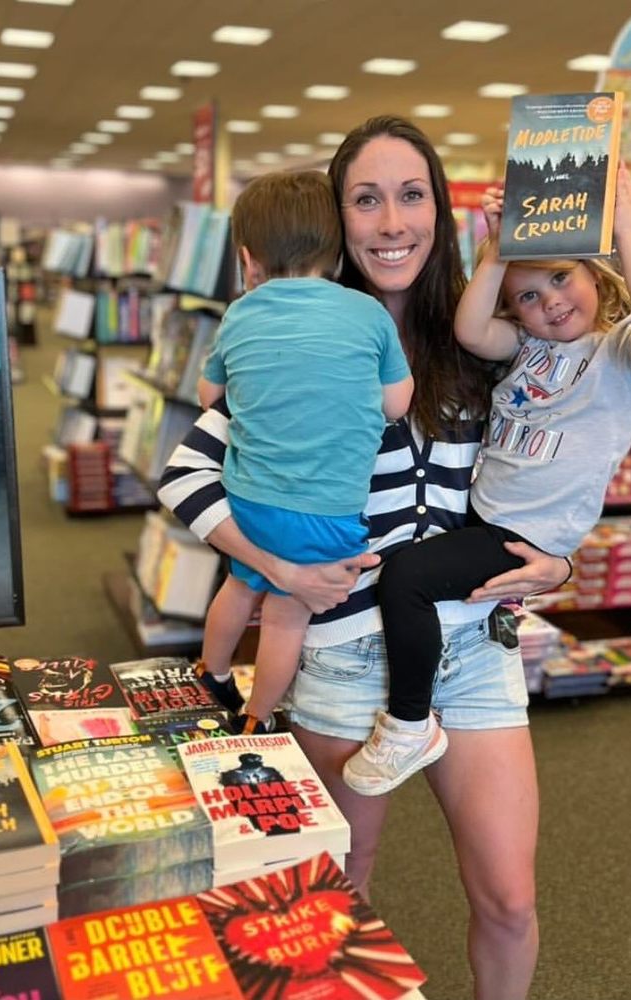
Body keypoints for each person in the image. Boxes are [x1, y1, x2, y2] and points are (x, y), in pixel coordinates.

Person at [159, 115, 572, 1000]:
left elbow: (551, 479)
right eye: (367, 199)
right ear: (335, 218)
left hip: (469, 651)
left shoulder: (485, 340)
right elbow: (187, 473)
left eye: (412, 196)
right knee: (342, 891)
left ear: (440, 213)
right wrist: (280, 570)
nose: (392, 223)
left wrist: (557, 566)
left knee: (509, 897)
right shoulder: (288, 340)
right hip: (341, 647)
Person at [343, 164, 631, 796]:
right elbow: (470, 329)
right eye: (529, 295)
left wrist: (629, 235)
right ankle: (429, 703)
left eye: (561, 278)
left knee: (409, 580)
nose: (550, 301)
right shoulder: (527, 345)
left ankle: (410, 721)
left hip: (525, 531)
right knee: (427, 586)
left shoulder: (620, 353)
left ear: (595, 276)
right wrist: (498, 249)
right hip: (485, 516)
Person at [193, 169, 413, 734]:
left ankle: (212, 671)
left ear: (248, 260)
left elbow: (209, 396)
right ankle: (256, 715)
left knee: (239, 587)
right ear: (339, 252)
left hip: (250, 498)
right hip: (329, 508)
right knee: (286, 619)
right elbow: (396, 402)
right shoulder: (370, 315)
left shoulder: (240, 314)